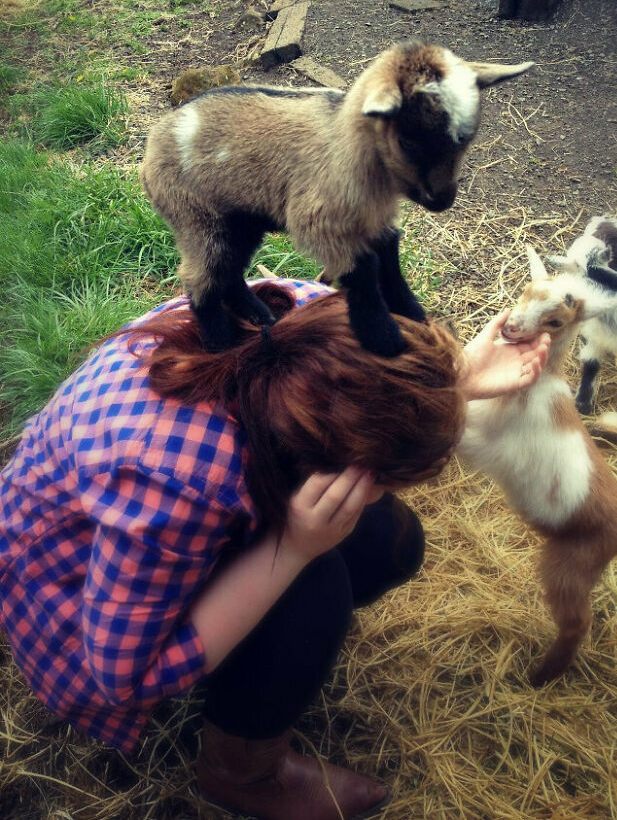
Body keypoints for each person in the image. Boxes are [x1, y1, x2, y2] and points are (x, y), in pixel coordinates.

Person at [0, 278, 549, 820]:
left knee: (385, 540)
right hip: (70, 607)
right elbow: (120, 678)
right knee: (316, 590)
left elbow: (362, 388)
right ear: (327, 458)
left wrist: (454, 382)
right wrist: (290, 549)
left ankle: (254, 662)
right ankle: (243, 772)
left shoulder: (299, 316)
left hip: (146, 535)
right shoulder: (178, 481)